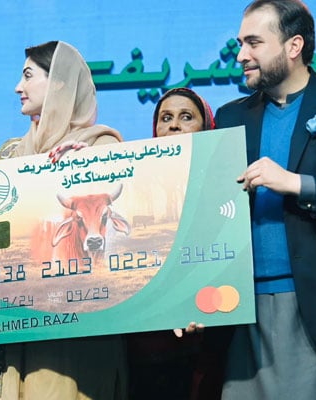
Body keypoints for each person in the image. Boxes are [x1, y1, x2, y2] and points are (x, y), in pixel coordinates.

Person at [215, 1, 316, 398]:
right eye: (241, 43)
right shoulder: (229, 117)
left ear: (293, 46)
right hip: (244, 312)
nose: (241, 55)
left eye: (254, 43)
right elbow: (186, 193)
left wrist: (295, 183)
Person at [0, 41, 125, 400]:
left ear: (60, 84)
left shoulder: (100, 146)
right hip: (13, 321)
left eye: (29, 76)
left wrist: (87, 171)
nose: (19, 86)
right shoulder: (9, 154)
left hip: (73, 331)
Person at [127, 87, 229, 400]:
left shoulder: (225, 188)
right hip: (146, 347)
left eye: (186, 117)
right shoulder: (133, 190)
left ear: (206, 127)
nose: (173, 125)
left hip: (208, 344)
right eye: (165, 118)